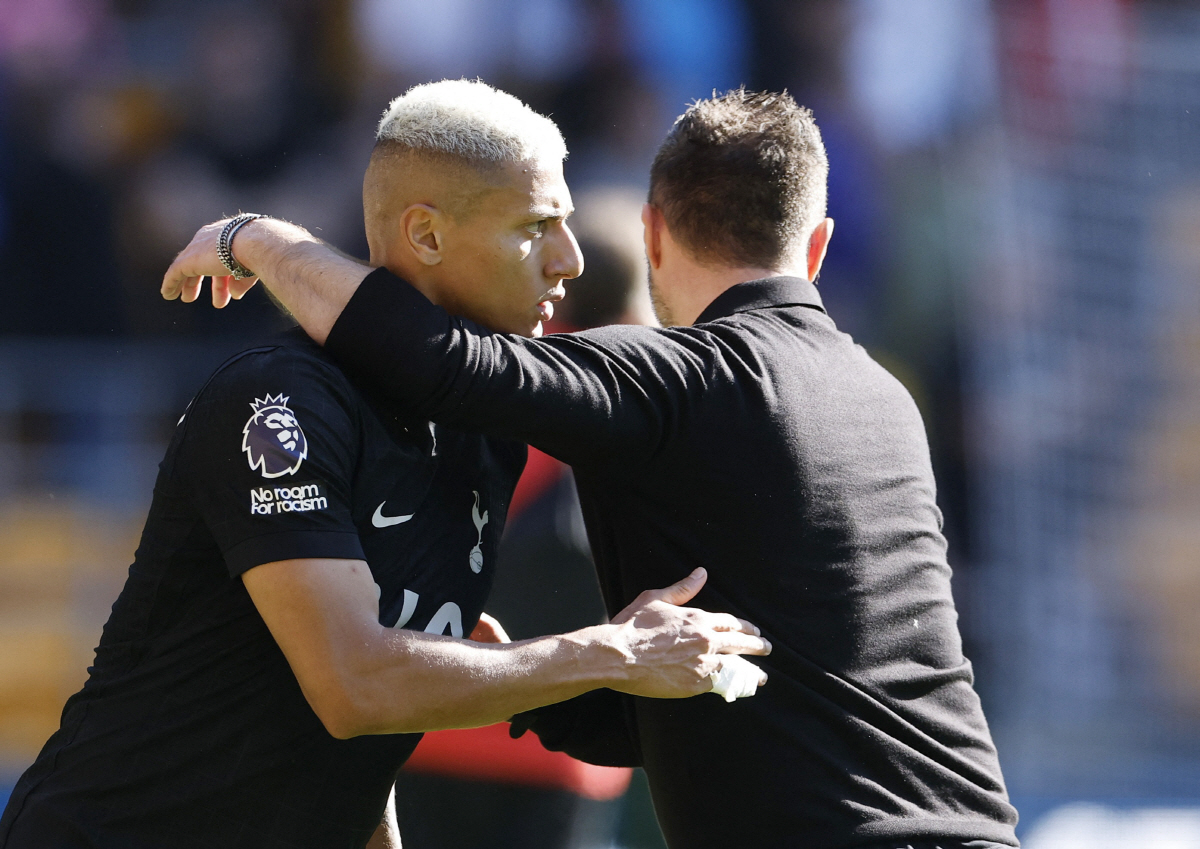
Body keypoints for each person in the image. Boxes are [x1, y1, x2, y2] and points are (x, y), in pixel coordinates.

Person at [161, 88, 1020, 849]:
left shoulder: (678, 375)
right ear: (821, 246)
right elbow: (747, 704)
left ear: (651, 233)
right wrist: (552, 674)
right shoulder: (886, 399)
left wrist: (260, 240)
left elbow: (440, 361)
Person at [0, 81, 771, 849]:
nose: (566, 261)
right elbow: (356, 684)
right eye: (536, 226)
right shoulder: (280, 403)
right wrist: (608, 650)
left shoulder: (484, 433)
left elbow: (363, 727)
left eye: (567, 225)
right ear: (426, 236)